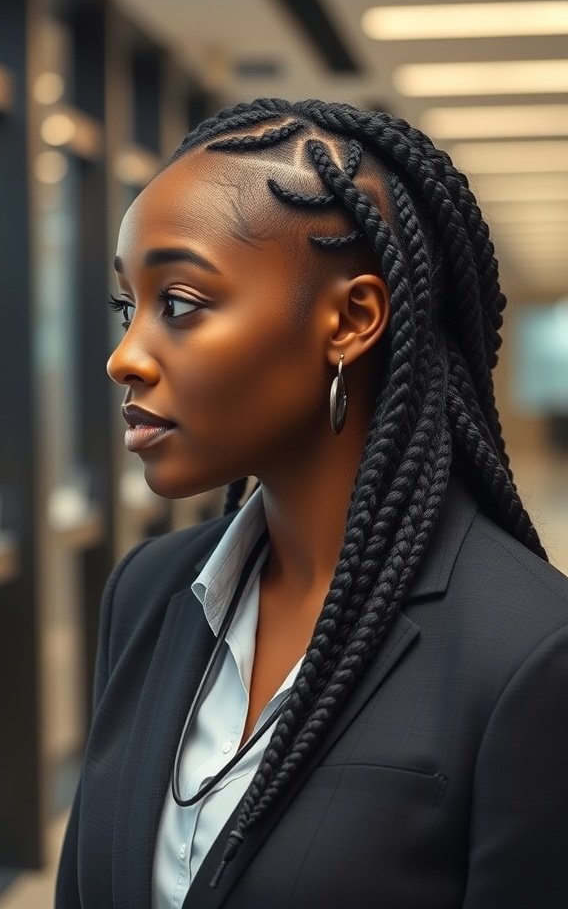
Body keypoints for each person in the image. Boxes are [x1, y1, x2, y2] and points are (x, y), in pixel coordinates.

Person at [56, 98, 568, 909]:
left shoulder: (531, 653)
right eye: (129, 308)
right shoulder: (148, 592)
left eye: (180, 305)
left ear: (351, 319)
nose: (126, 356)